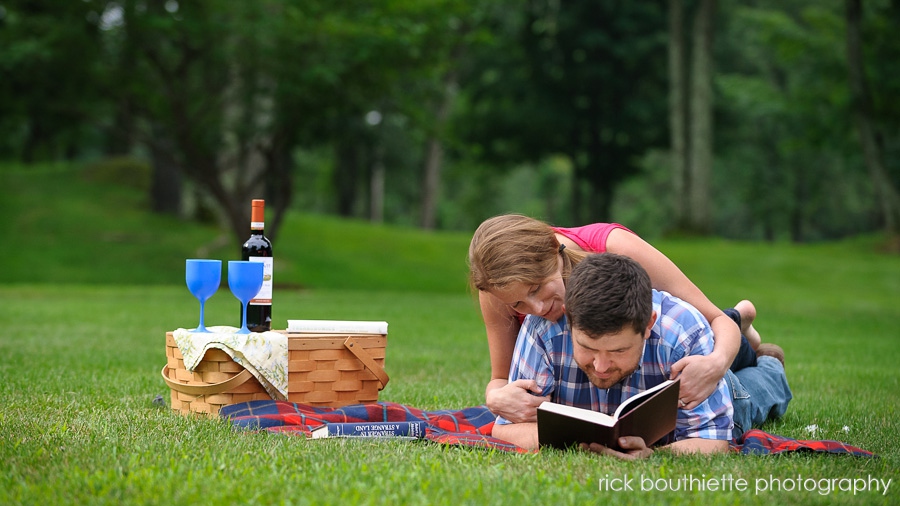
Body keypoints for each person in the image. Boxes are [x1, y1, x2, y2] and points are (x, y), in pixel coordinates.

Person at [490, 253, 792, 456]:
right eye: (587, 348)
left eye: (619, 350)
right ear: (569, 320)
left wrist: (654, 456)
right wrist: (593, 448)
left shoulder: (683, 330)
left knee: (748, 397)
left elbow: (714, 439)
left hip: (709, 384)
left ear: (648, 325)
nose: (601, 365)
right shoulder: (544, 328)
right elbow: (506, 430)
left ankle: (768, 364)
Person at [468, 214, 760, 423]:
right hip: (581, 366)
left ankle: (742, 323)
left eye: (537, 288)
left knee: (726, 357)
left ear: (551, 251)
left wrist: (716, 363)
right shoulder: (498, 289)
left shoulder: (617, 248)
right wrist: (495, 398)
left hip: (660, 346)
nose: (537, 308)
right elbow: (500, 378)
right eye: (519, 303)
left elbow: (712, 319)